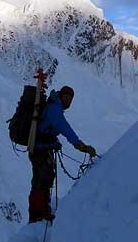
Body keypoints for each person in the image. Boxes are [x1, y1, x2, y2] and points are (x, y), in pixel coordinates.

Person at [28, 85, 97, 223]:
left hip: (39, 148)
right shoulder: (55, 109)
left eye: (70, 99)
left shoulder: (53, 106)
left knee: (42, 179)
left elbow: (49, 128)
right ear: (61, 96)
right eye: (67, 97)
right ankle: (39, 213)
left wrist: (53, 143)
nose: (68, 101)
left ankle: (39, 212)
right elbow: (66, 129)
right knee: (43, 179)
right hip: (40, 150)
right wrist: (81, 146)